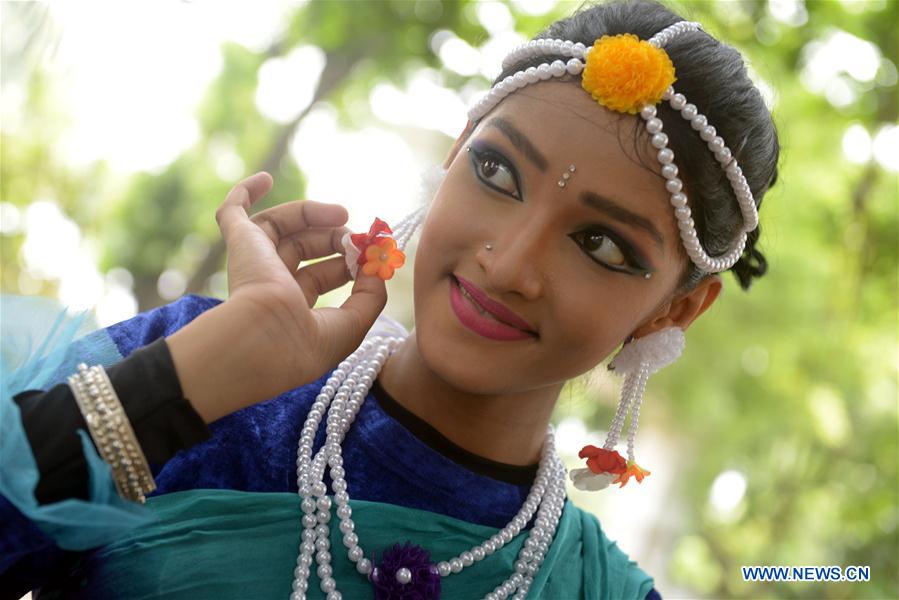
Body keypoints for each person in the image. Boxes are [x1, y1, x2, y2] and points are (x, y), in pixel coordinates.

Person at [0, 0, 779, 598]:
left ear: (672, 311)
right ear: (453, 154)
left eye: (600, 245)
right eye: (497, 173)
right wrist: (191, 381)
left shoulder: (592, 588)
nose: (508, 263)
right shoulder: (201, 361)